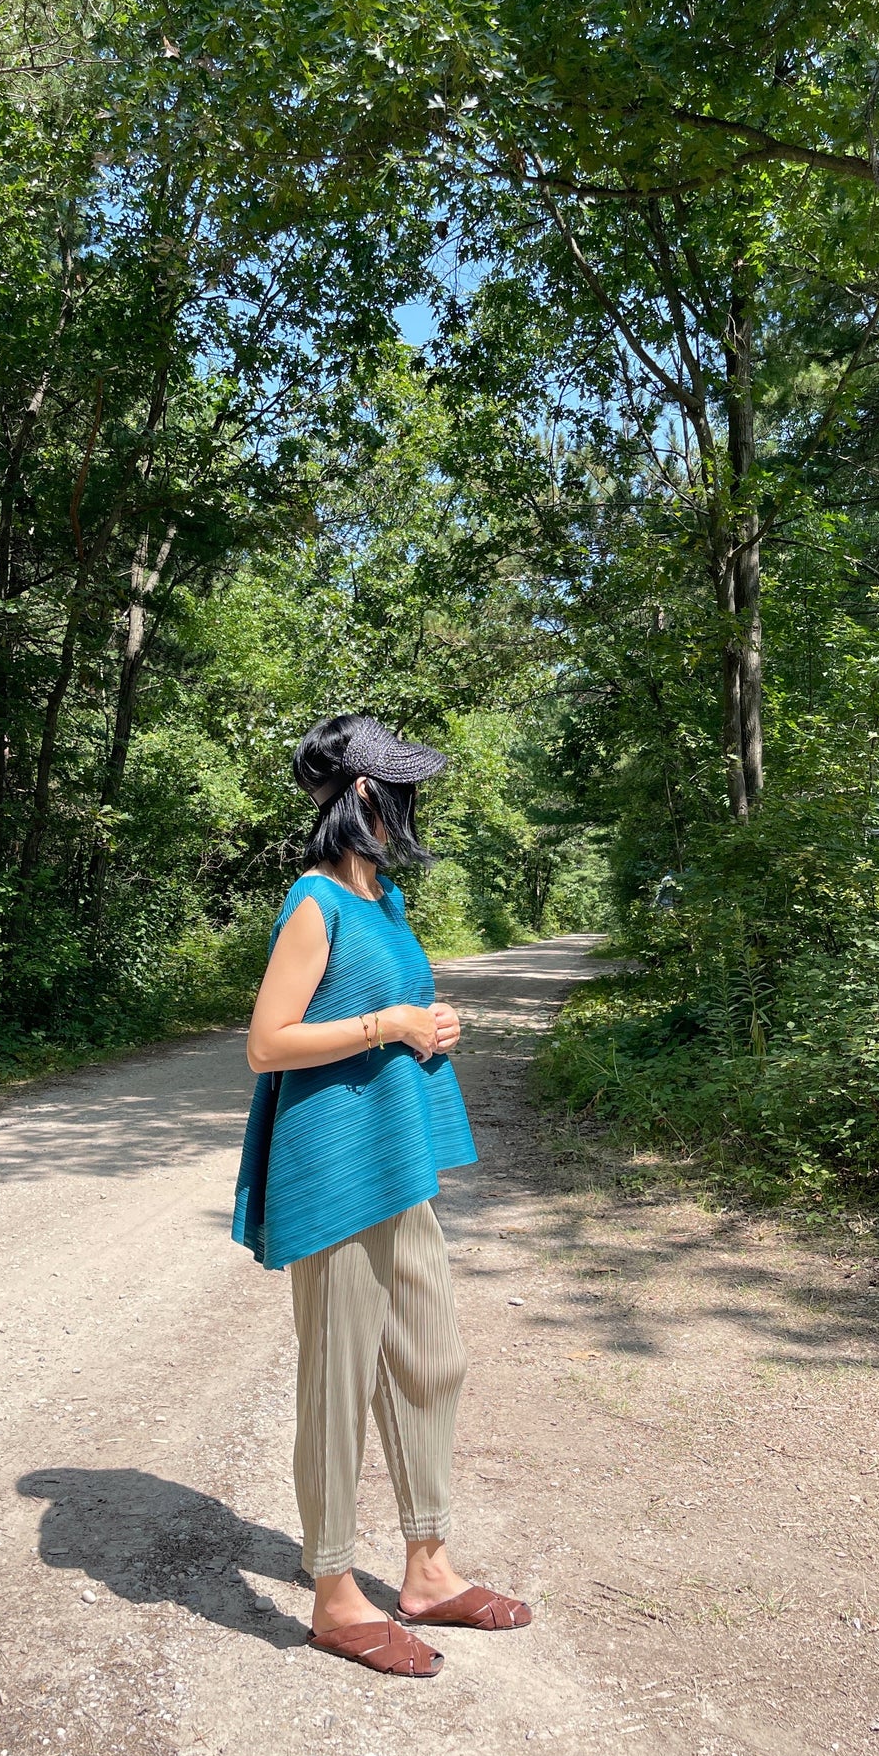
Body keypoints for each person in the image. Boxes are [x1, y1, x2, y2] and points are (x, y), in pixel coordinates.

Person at [231, 713, 532, 1679]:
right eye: (401, 787)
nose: (413, 804)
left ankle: (429, 1568)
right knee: (338, 1379)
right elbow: (268, 1043)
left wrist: (427, 1025)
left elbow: (386, 1020)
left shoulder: (386, 900)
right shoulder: (314, 900)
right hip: (334, 1172)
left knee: (431, 1359)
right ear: (364, 794)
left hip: (398, 1162)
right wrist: (385, 1021)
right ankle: (330, 1591)